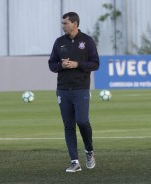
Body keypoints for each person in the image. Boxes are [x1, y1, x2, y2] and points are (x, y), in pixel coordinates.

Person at [48, 12, 99, 173]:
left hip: (81, 89)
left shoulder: (87, 41)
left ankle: (89, 151)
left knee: (83, 121)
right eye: (62, 23)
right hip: (63, 90)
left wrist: (77, 64)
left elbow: (95, 64)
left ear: (74, 23)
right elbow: (51, 65)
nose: (63, 26)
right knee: (68, 125)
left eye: (65, 23)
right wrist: (61, 66)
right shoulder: (59, 42)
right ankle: (74, 161)